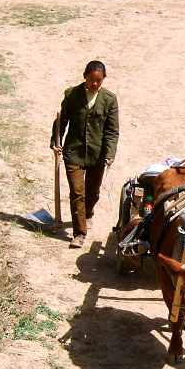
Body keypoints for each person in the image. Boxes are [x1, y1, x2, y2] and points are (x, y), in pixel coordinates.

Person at [50, 60, 119, 248]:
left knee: (92, 192)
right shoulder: (72, 95)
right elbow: (61, 121)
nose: (95, 84)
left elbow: (112, 131)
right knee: (77, 192)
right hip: (74, 153)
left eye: (99, 81)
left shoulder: (109, 100)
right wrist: (56, 143)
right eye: (91, 80)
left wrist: (110, 153)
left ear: (103, 80)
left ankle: (88, 213)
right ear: (85, 76)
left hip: (98, 155)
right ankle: (79, 233)